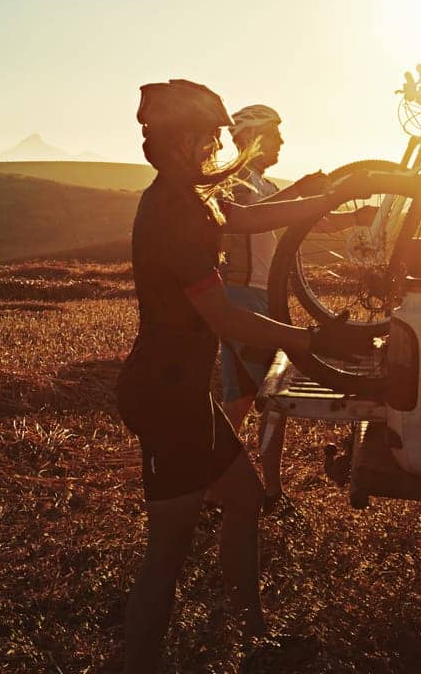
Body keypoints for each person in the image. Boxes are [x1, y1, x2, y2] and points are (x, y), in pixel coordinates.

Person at [116, 78, 359, 674]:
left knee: (244, 499)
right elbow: (224, 316)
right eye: (207, 139)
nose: (214, 150)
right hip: (166, 397)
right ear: (181, 143)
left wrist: (321, 204)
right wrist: (305, 341)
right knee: (167, 554)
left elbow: (249, 215)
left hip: (181, 392)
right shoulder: (173, 210)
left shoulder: (192, 196)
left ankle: (253, 642)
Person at [220, 104, 324, 516]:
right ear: (252, 138)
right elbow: (254, 220)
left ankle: (213, 489)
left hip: (253, 297)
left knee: (239, 402)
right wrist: (300, 189)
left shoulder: (264, 182)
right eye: (275, 135)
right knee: (275, 398)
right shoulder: (234, 181)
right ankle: (272, 492)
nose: (282, 141)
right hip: (246, 298)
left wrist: (353, 215)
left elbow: (289, 220)